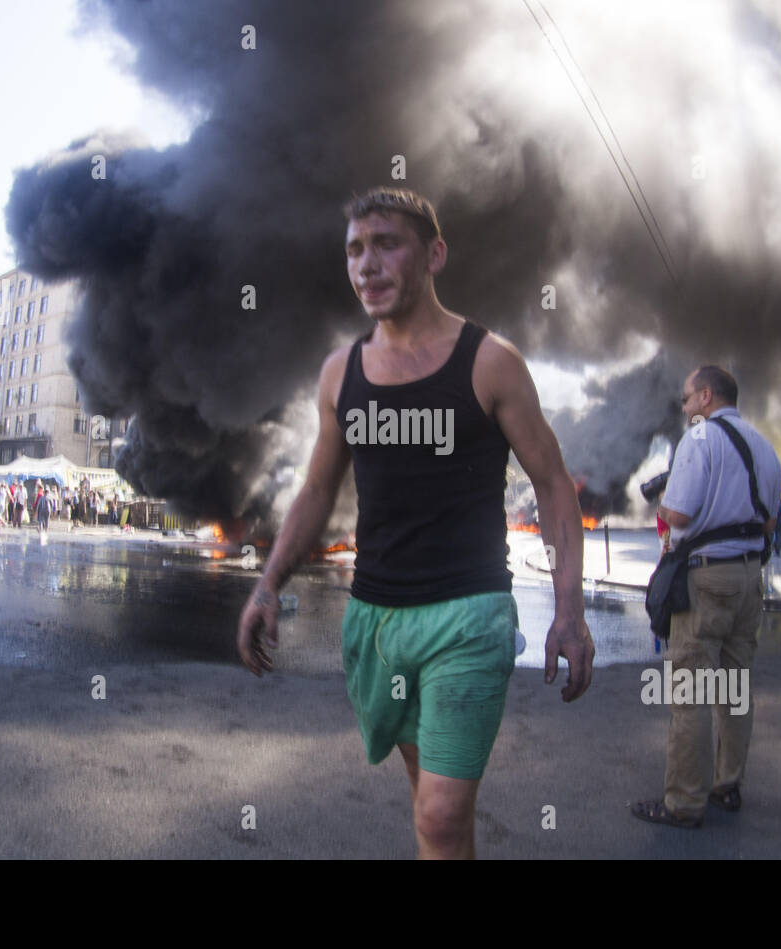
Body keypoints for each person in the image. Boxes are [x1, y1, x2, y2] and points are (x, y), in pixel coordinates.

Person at [236, 186, 594, 859]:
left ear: (434, 253)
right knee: (429, 800)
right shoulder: (340, 374)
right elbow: (317, 487)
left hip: (468, 615)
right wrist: (266, 583)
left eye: (386, 244)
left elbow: (552, 484)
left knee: (438, 811)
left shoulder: (490, 361)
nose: (366, 264)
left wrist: (569, 611)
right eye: (354, 249)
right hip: (375, 621)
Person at [631, 366, 781, 829]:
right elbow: (772, 524)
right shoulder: (765, 448)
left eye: (686, 398)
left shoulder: (698, 441)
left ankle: (684, 803)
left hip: (705, 581)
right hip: (749, 578)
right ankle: (727, 784)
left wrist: (661, 502)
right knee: (735, 687)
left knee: (691, 693)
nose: (683, 406)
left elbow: (678, 513)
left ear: (706, 396)